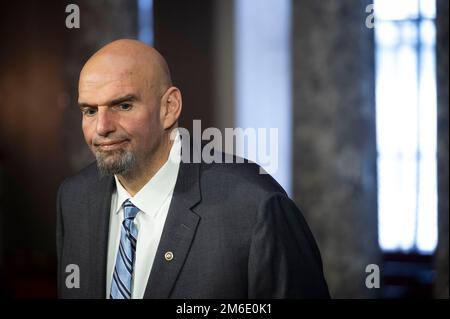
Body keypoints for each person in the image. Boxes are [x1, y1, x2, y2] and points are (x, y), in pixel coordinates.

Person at [56, 39, 330, 299]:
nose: (102, 127)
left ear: (169, 107)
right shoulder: (74, 199)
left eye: (123, 105)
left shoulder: (256, 207)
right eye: (90, 111)